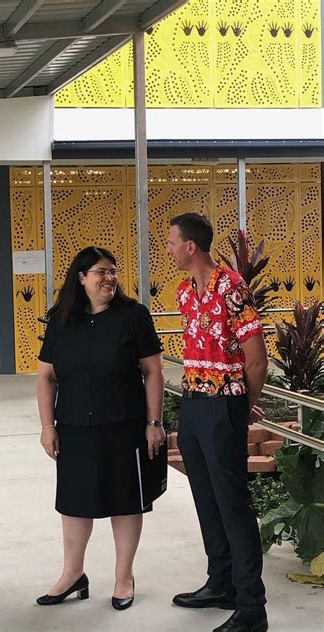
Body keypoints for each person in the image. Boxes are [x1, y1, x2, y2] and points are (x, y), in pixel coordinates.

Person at [36, 246, 165, 610]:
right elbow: (46, 377)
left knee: (125, 502)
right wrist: (48, 426)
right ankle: (72, 574)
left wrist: (154, 422)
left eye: (112, 271)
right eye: (100, 272)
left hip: (124, 426)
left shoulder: (133, 315)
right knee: (75, 504)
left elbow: (153, 371)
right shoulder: (61, 320)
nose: (108, 278)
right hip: (75, 427)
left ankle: (124, 577)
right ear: (81, 278)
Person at [167, 213, 268, 632]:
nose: (169, 247)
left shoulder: (231, 286)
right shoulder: (184, 291)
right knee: (206, 498)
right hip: (192, 404)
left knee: (232, 504)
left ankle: (251, 607)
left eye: (172, 241)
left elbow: (256, 357)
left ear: (191, 246)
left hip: (223, 405)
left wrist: (242, 404)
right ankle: (220, 582)